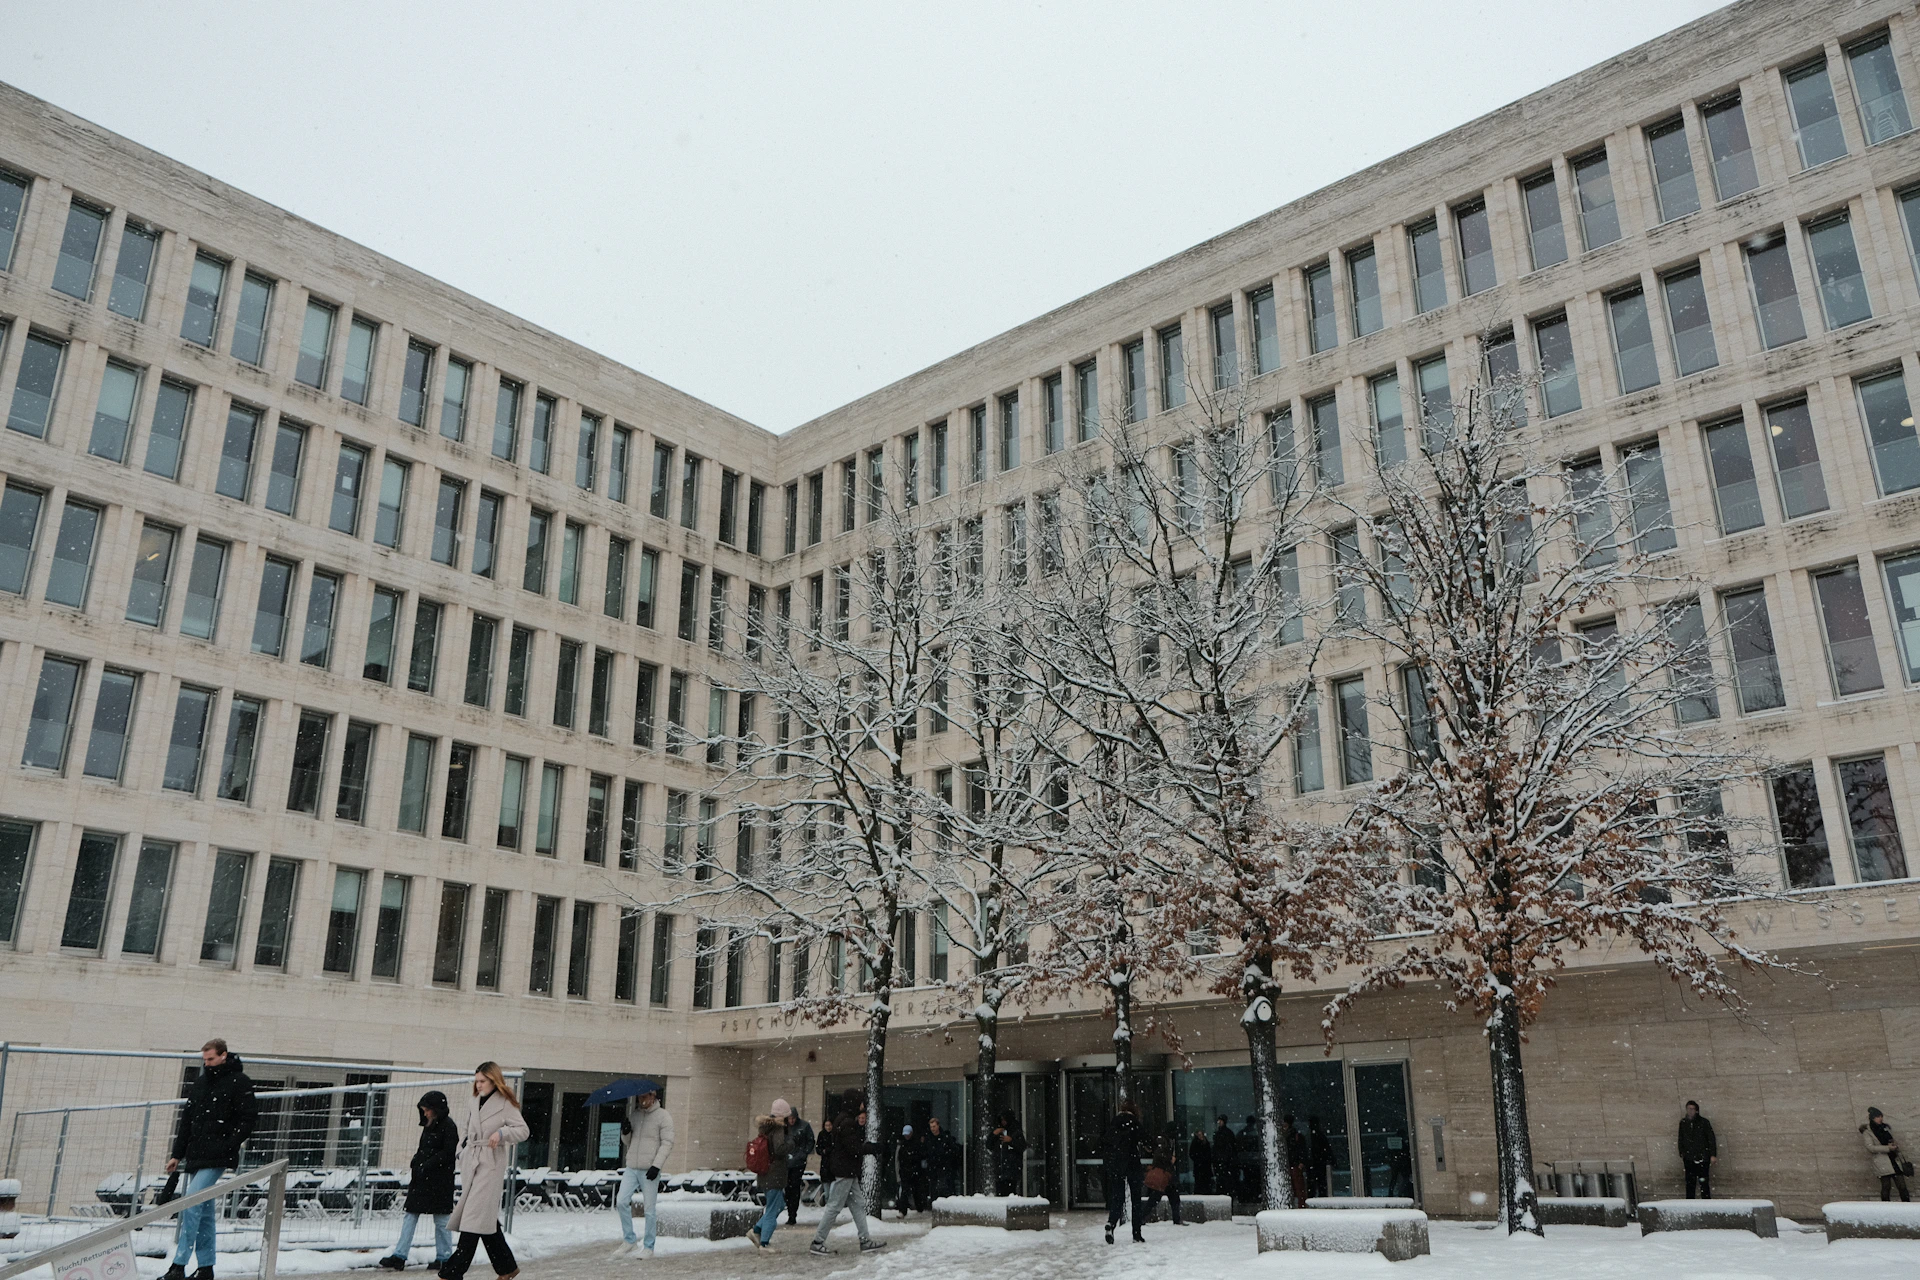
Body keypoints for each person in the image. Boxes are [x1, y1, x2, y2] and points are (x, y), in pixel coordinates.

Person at [162, 1039, 257, 1280]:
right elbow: (187, 1120)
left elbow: (248, 1118)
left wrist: (228, 1144)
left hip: (217, 1154)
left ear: (224, 1055)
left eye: (211, 1059)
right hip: (198, 1153)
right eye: (205, 1060)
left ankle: (179, 1264)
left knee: (192, 1202)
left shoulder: (239, 1082)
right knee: (203, 1211)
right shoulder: (202, 1083)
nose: (207, 1063)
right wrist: (177, 1154)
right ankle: (206, 1267)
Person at [441, 1062, 529, 1280]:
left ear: (494, 1081)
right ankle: (507, 1267)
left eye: (482, 1081)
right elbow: (466, 1128)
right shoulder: (474, 1101)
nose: (478, 1085)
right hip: (471, 1162)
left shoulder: (505, 1103)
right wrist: (461, 1151)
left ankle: (452, 1273)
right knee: (484, 1220)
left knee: (473, 1219)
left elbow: (523, 1130)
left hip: (490, 1165)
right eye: (477, 1081)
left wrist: (502, 1133)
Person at [379, 1091, 458, 1271]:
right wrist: (417, 1162)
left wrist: (426, 1164)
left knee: (441, 1220)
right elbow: (424, 1148)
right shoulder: (430, 1125)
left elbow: (448, 1153)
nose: (425, 1113)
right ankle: (400, 1255)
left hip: (439, 1180)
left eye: (427, 1110)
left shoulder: (448, 1126)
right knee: (411, 1215)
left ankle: (444, 1257)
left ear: (436, 1109)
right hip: (423, 1178)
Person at [811, 1102, 885, 1256]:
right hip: (845, 1172)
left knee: (858, 1205)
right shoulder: (847, 1123)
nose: (861, 1106)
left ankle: (865, 1240)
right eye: (859, 1102)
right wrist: (872, 1147)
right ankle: (817, 1241)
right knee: (834, 1207)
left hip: (848, 1172)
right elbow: (854, 1148)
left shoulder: (843, 1120)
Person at [612, 1083, 675, 1258]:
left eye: (645, 1097)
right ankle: (629, 1240)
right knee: (621, 1201)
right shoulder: (635, 1115)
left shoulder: (663, 1117)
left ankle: (649, 1246)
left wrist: (656, 1165)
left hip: (649, 1169)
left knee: (649, 1209)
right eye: (639, 1097)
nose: (642, 1100)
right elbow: (628, 1142)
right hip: (632, 1166)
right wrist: (625, 1132)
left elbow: (667, 1143)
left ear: (653, 1096)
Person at [1101, 1098, 1146, 1245]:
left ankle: (1111, 1223)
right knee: (1136, 1199)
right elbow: (1146, 1139)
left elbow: (1106, 1142)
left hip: (1116, 1165)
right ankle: (1136, 1234)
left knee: (1117, 1197)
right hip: (1132, 1163)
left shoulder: (1114, 1122)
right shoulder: (1134, 1123)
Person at [749, 1111, 792, 1249]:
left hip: (765, 1173)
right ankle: (764, 1243)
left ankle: (757, 1230)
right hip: (774, 1174)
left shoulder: (766, 1129)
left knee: (779, 1205)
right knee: (772, 1209)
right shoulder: (778, 1129)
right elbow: (779, 1149)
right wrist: (792, 1143)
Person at [1863, 1107, 1912, 1202]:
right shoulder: (1868, 1132)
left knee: (1902, 1186)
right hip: (1882, 1162)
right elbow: (1870, 1148)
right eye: (1878, 1117)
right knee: (1886, 1186)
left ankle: (1907, 1206)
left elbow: (1891, 1140)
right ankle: (1885, 1207)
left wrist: (1894, 1146)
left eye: (1881, 1116)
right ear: (1872, 1118)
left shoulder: (1885, 1128)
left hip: (1894, 1160)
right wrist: (1887, 1148)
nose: (1880, 1118)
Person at [780, 1100, 814, 1225]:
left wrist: (803, 1153)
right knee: (787, 1187)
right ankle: (790, 1210)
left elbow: (810, 1141)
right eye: (790, 1119)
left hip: (798, 1161)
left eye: (793, 1118)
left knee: (794, 1187)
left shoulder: (804, 1126)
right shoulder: (784, 1127)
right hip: (786, 1161)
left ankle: (792, 1213)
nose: (791, 1121)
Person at [1143, 1128, 1184, 1226]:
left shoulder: (1165, 1141)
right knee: (1164, 1198)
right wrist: (1170, 1159)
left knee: (1158, 1198)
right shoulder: (1163, 1141)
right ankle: (1176, 1219)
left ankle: (1142, 1217)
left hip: (1165, 1175)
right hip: (1164, 1175)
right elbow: (1160, 1155)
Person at [1678, 1101, 1717, 1199]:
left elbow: (1711, 1138)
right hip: (1689, 1157)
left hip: (1702, 1156)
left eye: (1692, 1109)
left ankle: (1706, 1201)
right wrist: (1682, 1151)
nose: (1690, 1111)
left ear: (1696, 1110)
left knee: (1704, 1183)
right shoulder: (1683, 1123)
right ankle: (1690, 1201)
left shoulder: (1703, 1122)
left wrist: (1712, 1154)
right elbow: (1681, 1138)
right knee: (1690, 1183)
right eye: (1688, 1109)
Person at [895, 1124, 930, 1216]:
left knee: (915, 1191)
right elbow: (900, 1160)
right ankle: (904, 1210)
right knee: (906, 1191)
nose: (907, 1136)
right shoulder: (903, 1145)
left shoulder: (915, 1145)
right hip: (907, 1172)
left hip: (914, 1172)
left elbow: (920, 1156)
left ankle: (918, 1208)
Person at [992, 1113, 1028, 1196]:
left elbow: (1022, 1146)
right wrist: (993, 1134)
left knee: (1010, 1192)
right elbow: (989, 1145)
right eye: (1001, 1120)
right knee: (1001, 1192)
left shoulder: (1015, 1131)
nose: (1003, 1122)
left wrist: (1011, 1141)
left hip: (1011, 1170)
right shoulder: (999, 1132)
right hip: (1000, 1170)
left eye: (1004, 1119)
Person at [925, 1118, 961, 1199]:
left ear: (938, 1126)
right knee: (934, 1190)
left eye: (934, 1126)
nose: (932, 1129)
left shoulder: (945, 1138)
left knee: (945, 1188)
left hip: (944, 1167)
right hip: (933, 1168)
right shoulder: (929, 1139)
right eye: (931, 1127)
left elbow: (953, 1150)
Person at [1211, 1117, 1237, 1204]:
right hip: (1223, 1162)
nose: (1219, 1122)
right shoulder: (1224, 1133)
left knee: (1224, 1183)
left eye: (1220, 1121)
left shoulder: (1224, 1134)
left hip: (1224, 1162)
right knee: (1223, 1182)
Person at [1307, 1117, 1334, 1200]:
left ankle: (1313, 1198)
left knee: (1313, 1185)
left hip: (1315, 1163)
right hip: (1319, 1162)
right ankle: (1321, 1198)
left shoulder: (1310, 1136)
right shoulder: (1320, 1136)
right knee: (1321, 1184)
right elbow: (1327, 1149)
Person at [1189, 1129, 1212, 1195]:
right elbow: (1192, 1154)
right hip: (1200, 1166)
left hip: (1205, 1166)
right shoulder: (1195, 1143)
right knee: (1200, 1182)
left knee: (1205, 1182)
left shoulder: (1205, 1142)